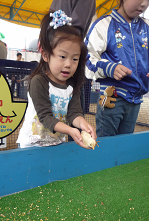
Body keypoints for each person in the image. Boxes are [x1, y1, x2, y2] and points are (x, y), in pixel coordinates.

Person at [17, 10, 96, 148]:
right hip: (32, 146)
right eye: (62, 56)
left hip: (56, 144)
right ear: (46, 55)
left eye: (75, 59)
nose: (68, 64)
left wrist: (83, 124)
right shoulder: (38, 82)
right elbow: (45, 117)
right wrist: (71, 130)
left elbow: (74, 113)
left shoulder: (72, 85)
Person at [85, 0, 149, 137]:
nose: (144, 4)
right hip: (112, 98)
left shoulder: (148, 27)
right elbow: (86, 59)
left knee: (125, 145)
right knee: (106, 146)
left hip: (136, 100)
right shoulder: (103, 25)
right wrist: (110, 67)